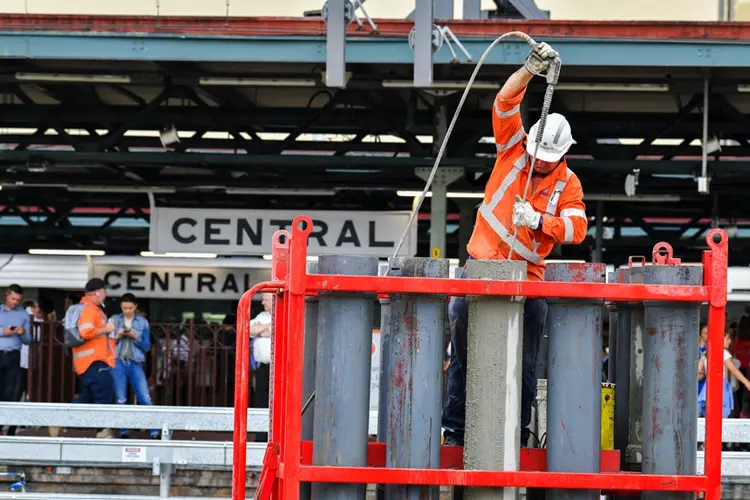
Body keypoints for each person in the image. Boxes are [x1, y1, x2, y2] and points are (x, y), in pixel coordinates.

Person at [441, 41, 588, 447]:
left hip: (529, 277)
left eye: (546, 158)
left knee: (524, 362)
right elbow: (505, 102)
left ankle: (518, 432)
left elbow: (577, 229)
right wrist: (529, 70)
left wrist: (540, 221)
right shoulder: (513, 149)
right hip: (481, 265)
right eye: (536, 154)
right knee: (463, 346)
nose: (538, 162)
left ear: (562, 154)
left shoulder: (568, 184)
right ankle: (455, 430)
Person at [109, 293, 159, 439]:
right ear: (121, 307)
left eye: (130, 308)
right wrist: (117, 336)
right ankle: (123, 431)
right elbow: (107, 344)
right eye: (124, 308)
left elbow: (147, 346)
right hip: (118, 361)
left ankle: (153, 430)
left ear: (136, 307)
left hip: (135, 362)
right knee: (121, 398)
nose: (127, 311)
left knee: (144, 397)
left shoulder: (143, 322)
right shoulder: (114, 319)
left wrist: (136, 337)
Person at [72, 278, 116, 438]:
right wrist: (107, 328)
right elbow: (86, 332)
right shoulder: (89, 309)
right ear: (97, 292)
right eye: (105, 290)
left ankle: (58, 418)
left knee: (89, 398)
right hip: (93, 361)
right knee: (104, 394)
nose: (106, 294)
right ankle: (102, 431)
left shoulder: (92, 309)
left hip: (90, 361)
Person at [0, 284, 31, 436]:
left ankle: (9, 428)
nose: (15, 302)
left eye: (18, 300)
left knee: (11, 392)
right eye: (13, 298)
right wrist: (2, 332)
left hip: (13, 355)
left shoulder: (24, 315)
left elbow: (28, 340)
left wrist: (23, 332)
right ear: (6, 295)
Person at [698, 329, 750, 418]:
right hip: (721, 385)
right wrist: (746, 382)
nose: (730, 341)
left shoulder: (706, 353)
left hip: (708, 384)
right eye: (727, 338)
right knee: (721, 411)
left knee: (710, 412)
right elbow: (733, 369)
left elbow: (699, 370)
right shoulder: (723, 352)